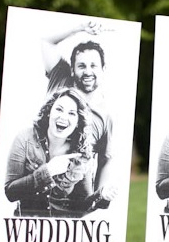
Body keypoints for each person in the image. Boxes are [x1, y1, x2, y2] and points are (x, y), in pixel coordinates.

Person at [4, 88, 111, 218]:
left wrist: (102, 196)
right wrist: (48, 171)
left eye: (72, 113)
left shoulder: (81, 153)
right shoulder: (25, 139)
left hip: (61, 232)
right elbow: (10, 193)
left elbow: (81, 207)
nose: (63, 117)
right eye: (59, 109)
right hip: (28, 229)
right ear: (49, 112)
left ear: (78, 122)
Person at [40, 22, 117, 201]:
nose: (88, 71)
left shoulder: (104, 116)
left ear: (103, 70)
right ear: (73, 70)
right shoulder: (60, 79)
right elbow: (47, 42)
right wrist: (79, 28)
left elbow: (106, 159)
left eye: (93, 66)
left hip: (72, 203)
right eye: (81, 66)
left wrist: (98, 199)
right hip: (36, 185)